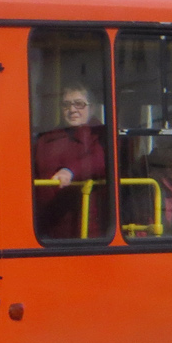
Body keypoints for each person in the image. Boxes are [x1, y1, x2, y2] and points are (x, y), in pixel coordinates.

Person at [33, 84, 108, 239]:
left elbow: (99, 160)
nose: (72, 110)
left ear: (92, 108)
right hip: (46, 228)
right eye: (66, 105)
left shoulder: (102, 135)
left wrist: (69, 171)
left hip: (87, 229)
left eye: (79, 104)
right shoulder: (46, 139)